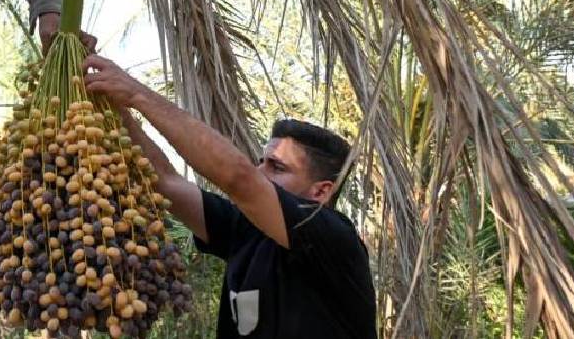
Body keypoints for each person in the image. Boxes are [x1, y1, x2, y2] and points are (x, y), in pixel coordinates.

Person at [82, 55, 377, 338]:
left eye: (277, 167)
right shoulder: (245, 230)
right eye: (261, 161)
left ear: (322, 191)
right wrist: (109, 99)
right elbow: (164, 180)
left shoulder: (336, 239)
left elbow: (239, 178)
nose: (259, 172)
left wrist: (136, 93)